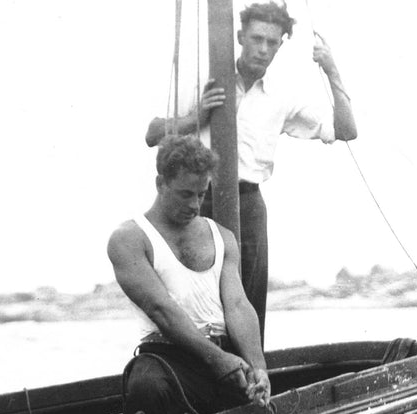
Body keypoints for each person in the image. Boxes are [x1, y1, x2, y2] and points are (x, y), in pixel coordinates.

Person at [144, 1, 357, 338]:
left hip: (248, 204)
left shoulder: (282, 95)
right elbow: (153, 133)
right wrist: (196, 117)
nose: (263, 49)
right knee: (192, 299)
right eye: (256, 39)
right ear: (240, 36)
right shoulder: (206, 79)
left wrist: (331, 69)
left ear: (281, 44)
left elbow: (346, 130)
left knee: (248, 302)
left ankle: (250, 380)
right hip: (198, 202)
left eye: (272, 42)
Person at [109, 135, 270, 414]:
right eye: (185, 194)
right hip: (168, 358)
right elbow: (161, 309)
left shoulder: (222, 236)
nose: (195, 205)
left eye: (201, 194)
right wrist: (218, 360)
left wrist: (258, 367)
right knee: (146, 389)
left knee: (257, 401)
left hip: (224, 356)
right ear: (160, 184)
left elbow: (237, 305)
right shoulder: (129, 239)